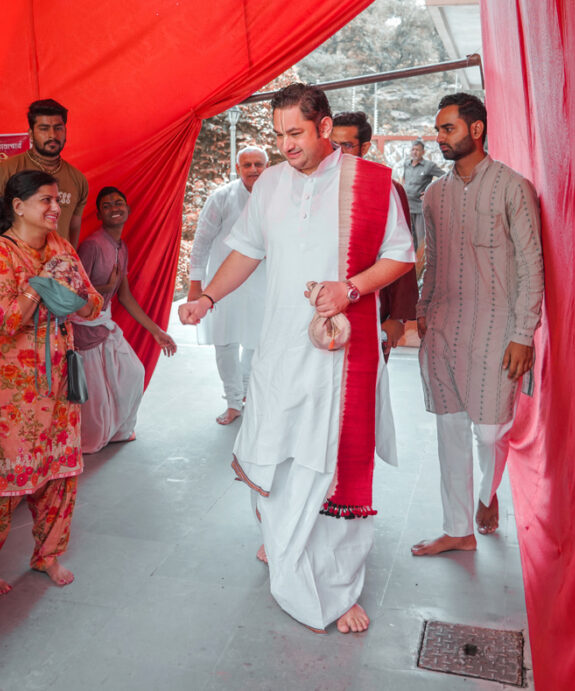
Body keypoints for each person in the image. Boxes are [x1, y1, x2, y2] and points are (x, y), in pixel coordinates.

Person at [180, 84, 414, 634]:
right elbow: (245, 250)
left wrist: (352, 289)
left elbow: (401, 256)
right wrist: (208, 296)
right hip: (280, 350)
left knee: (329, 459)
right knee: (280, 451)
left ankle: (333, 585)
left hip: (339, 354)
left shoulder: (372, 183)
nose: (285, 145)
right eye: (279, 133)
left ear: (325, 128)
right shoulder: (271, 186)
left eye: (295, 133)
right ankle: (285, 549)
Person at [0, 170, 103, 596]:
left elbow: (93, 304)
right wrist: (42, 287)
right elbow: (7, 320)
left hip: (57, 390)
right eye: (45, 201)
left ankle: (47, 555)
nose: (55, 208)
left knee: (61, 474)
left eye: (58, 200)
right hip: (8, 396)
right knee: (1, 482)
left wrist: (77, 296)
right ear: (18, 207)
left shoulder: (61, 247)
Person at [412, 93, 544, 556]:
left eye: (447, 128)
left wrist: (522, 334)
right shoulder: (433, 194)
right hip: (443, 328)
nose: (439, 137)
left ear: (476, 130)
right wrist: (422, 313)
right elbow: (431, 261)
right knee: (449, 432)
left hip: (496, 330)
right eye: (438, 129)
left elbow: (531, 264)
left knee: (489, 430)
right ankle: (457, 529)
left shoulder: (513, 187)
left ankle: (488, 495)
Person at [72, 187, 176, 453]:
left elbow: (125, 296)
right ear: (99, 214)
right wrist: (104, 289)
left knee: (132, 373)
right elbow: (74, 293)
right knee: (95, 395)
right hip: (84, 327)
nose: (114, 208)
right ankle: (90, 441)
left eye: (119, 203)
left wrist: (156, 331)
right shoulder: (93, 245)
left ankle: (118, 431)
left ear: (128, 210)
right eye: (106, 205)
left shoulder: (121, 245)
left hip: (103, 323)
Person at [187, 146, 268, 424]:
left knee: (258, 340)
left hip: (263, 281)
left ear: (267, 167)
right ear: (237, 168)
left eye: (259, 164)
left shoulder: (276, 198)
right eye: (247, 165)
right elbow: (201, 242)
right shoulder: (221, 198)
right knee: (225, 342)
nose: (253, 169)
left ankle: (243, 390)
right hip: (223, 282)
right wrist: (195, 286)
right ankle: (233, 402)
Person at [331, 112, 418, 361]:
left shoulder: (387, 189)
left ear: (365, 147)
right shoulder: (315, 187)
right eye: (333, 145)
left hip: (372, 312)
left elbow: (402, 256)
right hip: (323, 311)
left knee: (365, 392)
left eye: (347, 145)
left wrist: (397, 319)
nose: (338, 153)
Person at [0, 99, 88, 259]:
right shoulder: (4, 171)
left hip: (55, 276)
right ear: (31, 133)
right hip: (14, 273)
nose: (52, 135)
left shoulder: (77, 179)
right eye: (44, 128)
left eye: (58, 128)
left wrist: (68, 263)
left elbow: (73, 226)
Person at [402, 140, 446, 275]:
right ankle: (411, 268)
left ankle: (423, 270)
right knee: (409, 238)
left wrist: (430, 191)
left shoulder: (428, 166)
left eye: (417, 150)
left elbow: (445, 177)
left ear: (423, 152)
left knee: (422, 239)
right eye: (412, 149)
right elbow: (404, 179)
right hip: (407, 207)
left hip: (420, 208)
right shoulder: (407, 164)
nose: (414, 152)